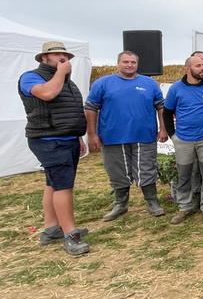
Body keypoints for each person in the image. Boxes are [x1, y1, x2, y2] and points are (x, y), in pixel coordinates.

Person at [18, 41, 89, 256]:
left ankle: (51, 228)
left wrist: (78, 136)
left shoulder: (68, 82)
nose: (62, 58)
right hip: (49, 139)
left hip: (66, 138)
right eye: (56, 55)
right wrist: (60, 74)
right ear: (43, 58)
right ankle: (70, 234)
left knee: (53, 183)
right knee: (63, 186)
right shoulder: (31, 77)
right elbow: (47, 94)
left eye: (65, 55)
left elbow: (70, 111)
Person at [85, 51, 168, 222]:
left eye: (133, 62)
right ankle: (120, 204)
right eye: (125, 62)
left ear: (137, 64)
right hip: (112, 136)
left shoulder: (149, 83)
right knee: (117, 171)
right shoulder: (103, 83)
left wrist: (163, 129)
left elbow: (161, 107)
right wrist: (92, 134)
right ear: (118, 63)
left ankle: (152, 201)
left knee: (146, 169)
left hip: (144, 135)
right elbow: (91, 108)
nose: (129, 65)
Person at [163, 55, 203, 225]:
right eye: (198, 66)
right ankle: (185, 206)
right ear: (187, 68)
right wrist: (173, 136)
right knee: (184, 174)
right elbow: (167, 112)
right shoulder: (176, 89)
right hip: (183, 140)